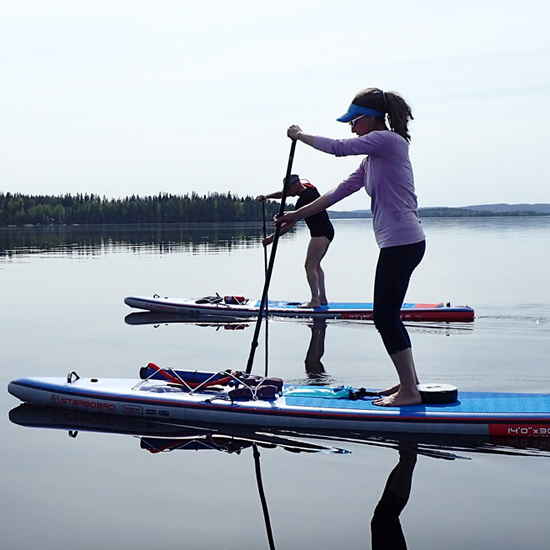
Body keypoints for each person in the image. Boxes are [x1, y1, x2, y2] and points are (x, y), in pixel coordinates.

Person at [277, 88, 426, 407]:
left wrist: (299, 135)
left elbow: (338, 148)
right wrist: (295, 215)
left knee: (384, 317)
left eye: (354, 121)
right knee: (388, 316)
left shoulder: (389, 142)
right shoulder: (374, 159)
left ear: (371, 120)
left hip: (403, 242)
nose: (351, 127)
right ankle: (409, 384)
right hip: (399, 243)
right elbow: (336, 193)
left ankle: (410, 392)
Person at [257, 175, 334, 308]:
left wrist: (270, 239)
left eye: (289, 189)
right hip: (327, 231)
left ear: (295, 185)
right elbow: (283, 195)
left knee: (309, 265)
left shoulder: (305, 199)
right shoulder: (310, 188)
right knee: (316, 265)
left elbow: (290, 224)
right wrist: (267, 196)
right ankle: (322, 298)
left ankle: (315, 300)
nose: (288, 193)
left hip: (320, 234)